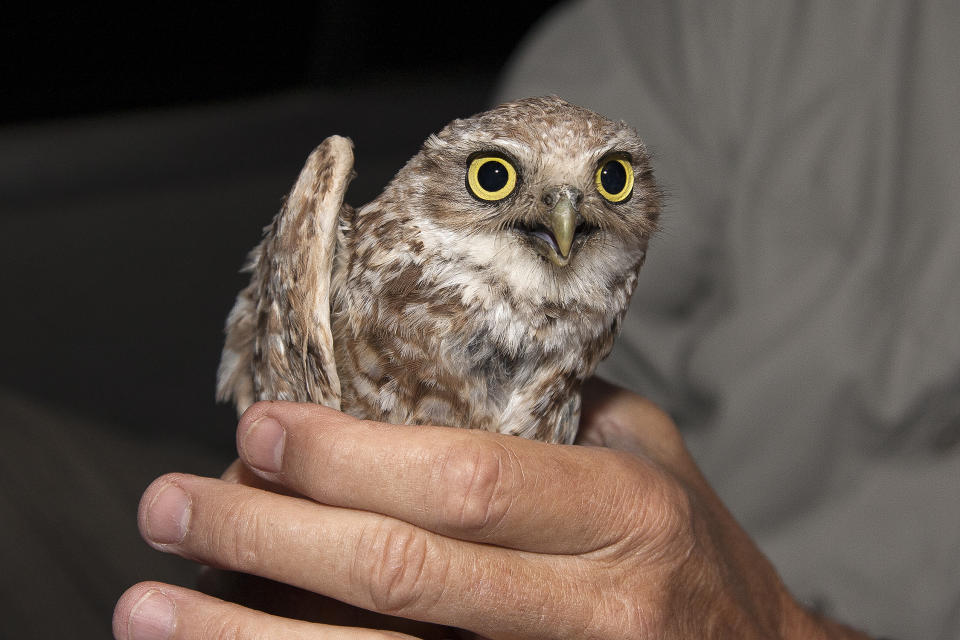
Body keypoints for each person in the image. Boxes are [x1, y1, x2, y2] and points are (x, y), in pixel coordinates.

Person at [114, 2, 960, 638]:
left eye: (613, 184)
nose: (567, 217)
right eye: (494, 179)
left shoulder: (588, 301)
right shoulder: (728, 31)